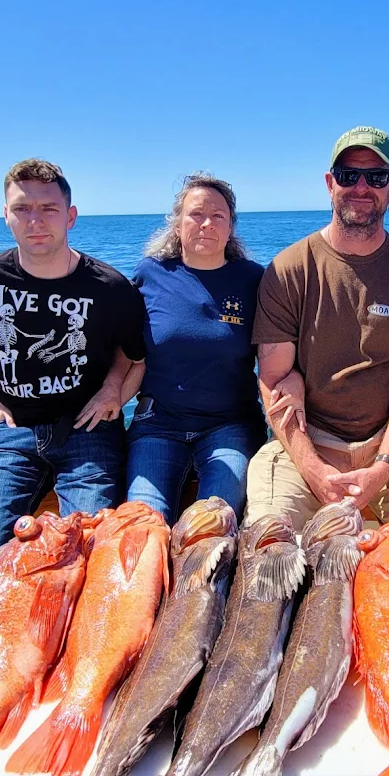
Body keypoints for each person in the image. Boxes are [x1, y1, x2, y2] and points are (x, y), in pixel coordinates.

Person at [245, 126, 389, 530]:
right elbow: (272, 380)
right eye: (348, 175)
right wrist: (314, 470)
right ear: (329, 184)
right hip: (306, 440)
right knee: (268, 543)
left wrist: (383, 467)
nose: (361, 187)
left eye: (376, 177)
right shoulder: (289, 269)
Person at [0, 158, 146, 571]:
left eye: (49, 209)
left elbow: (134, 356)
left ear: (70, 216)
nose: (35, 220)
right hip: (12, 433)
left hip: (88, 434)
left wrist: (114, 391)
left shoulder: (110, 287)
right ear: (6, 215)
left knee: (88, 557)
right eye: (22, 208)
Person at [121, 173, 268, 523]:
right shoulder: (148, 274)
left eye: (218, 216)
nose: (206, 224)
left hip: (230, 426)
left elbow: (277, 358)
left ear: (231, 227)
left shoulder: (253, 280)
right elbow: (125, 351)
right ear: (177, 224)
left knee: (214, 527)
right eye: (196, 214)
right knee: (143, 526)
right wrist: (110, 396)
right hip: (157, 424)